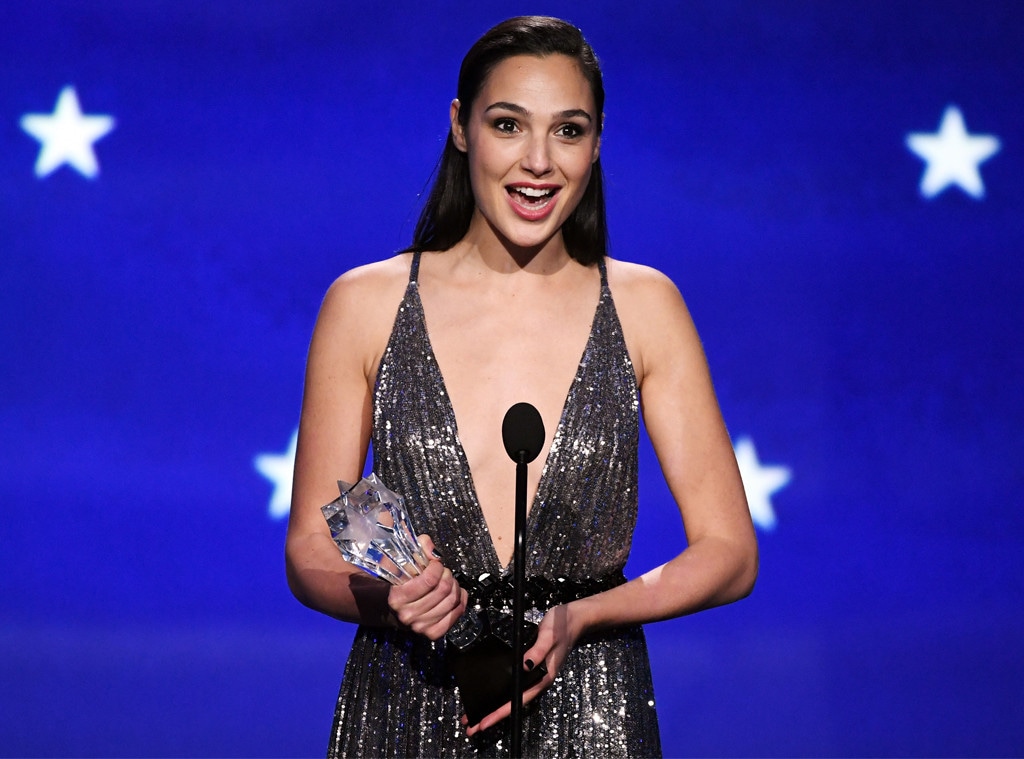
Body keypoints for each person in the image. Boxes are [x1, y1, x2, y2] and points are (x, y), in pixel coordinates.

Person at [285, 15, 757, 758]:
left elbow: (729, 550)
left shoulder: (645, 305)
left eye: (568, 131)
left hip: (593, 703)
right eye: (509, 124)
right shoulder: (365, 303)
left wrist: (585, 614)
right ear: (462, 127)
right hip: (409, 697)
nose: (538, 161)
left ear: (597, 144)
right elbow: (314, 544)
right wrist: (392, 595)